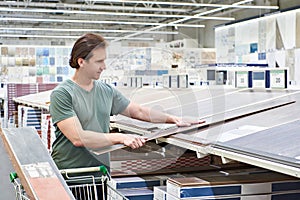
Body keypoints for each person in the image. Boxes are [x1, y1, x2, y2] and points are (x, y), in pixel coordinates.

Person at [49, 33, 197, 199]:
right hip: (70, 177)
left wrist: (172, 119)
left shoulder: (106, 91)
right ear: (81, 61)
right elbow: (78, 138)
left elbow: (138, 111)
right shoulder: (62, 94)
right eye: (99, 61)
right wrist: (119, 137)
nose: (104, 66)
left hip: (99, 176)